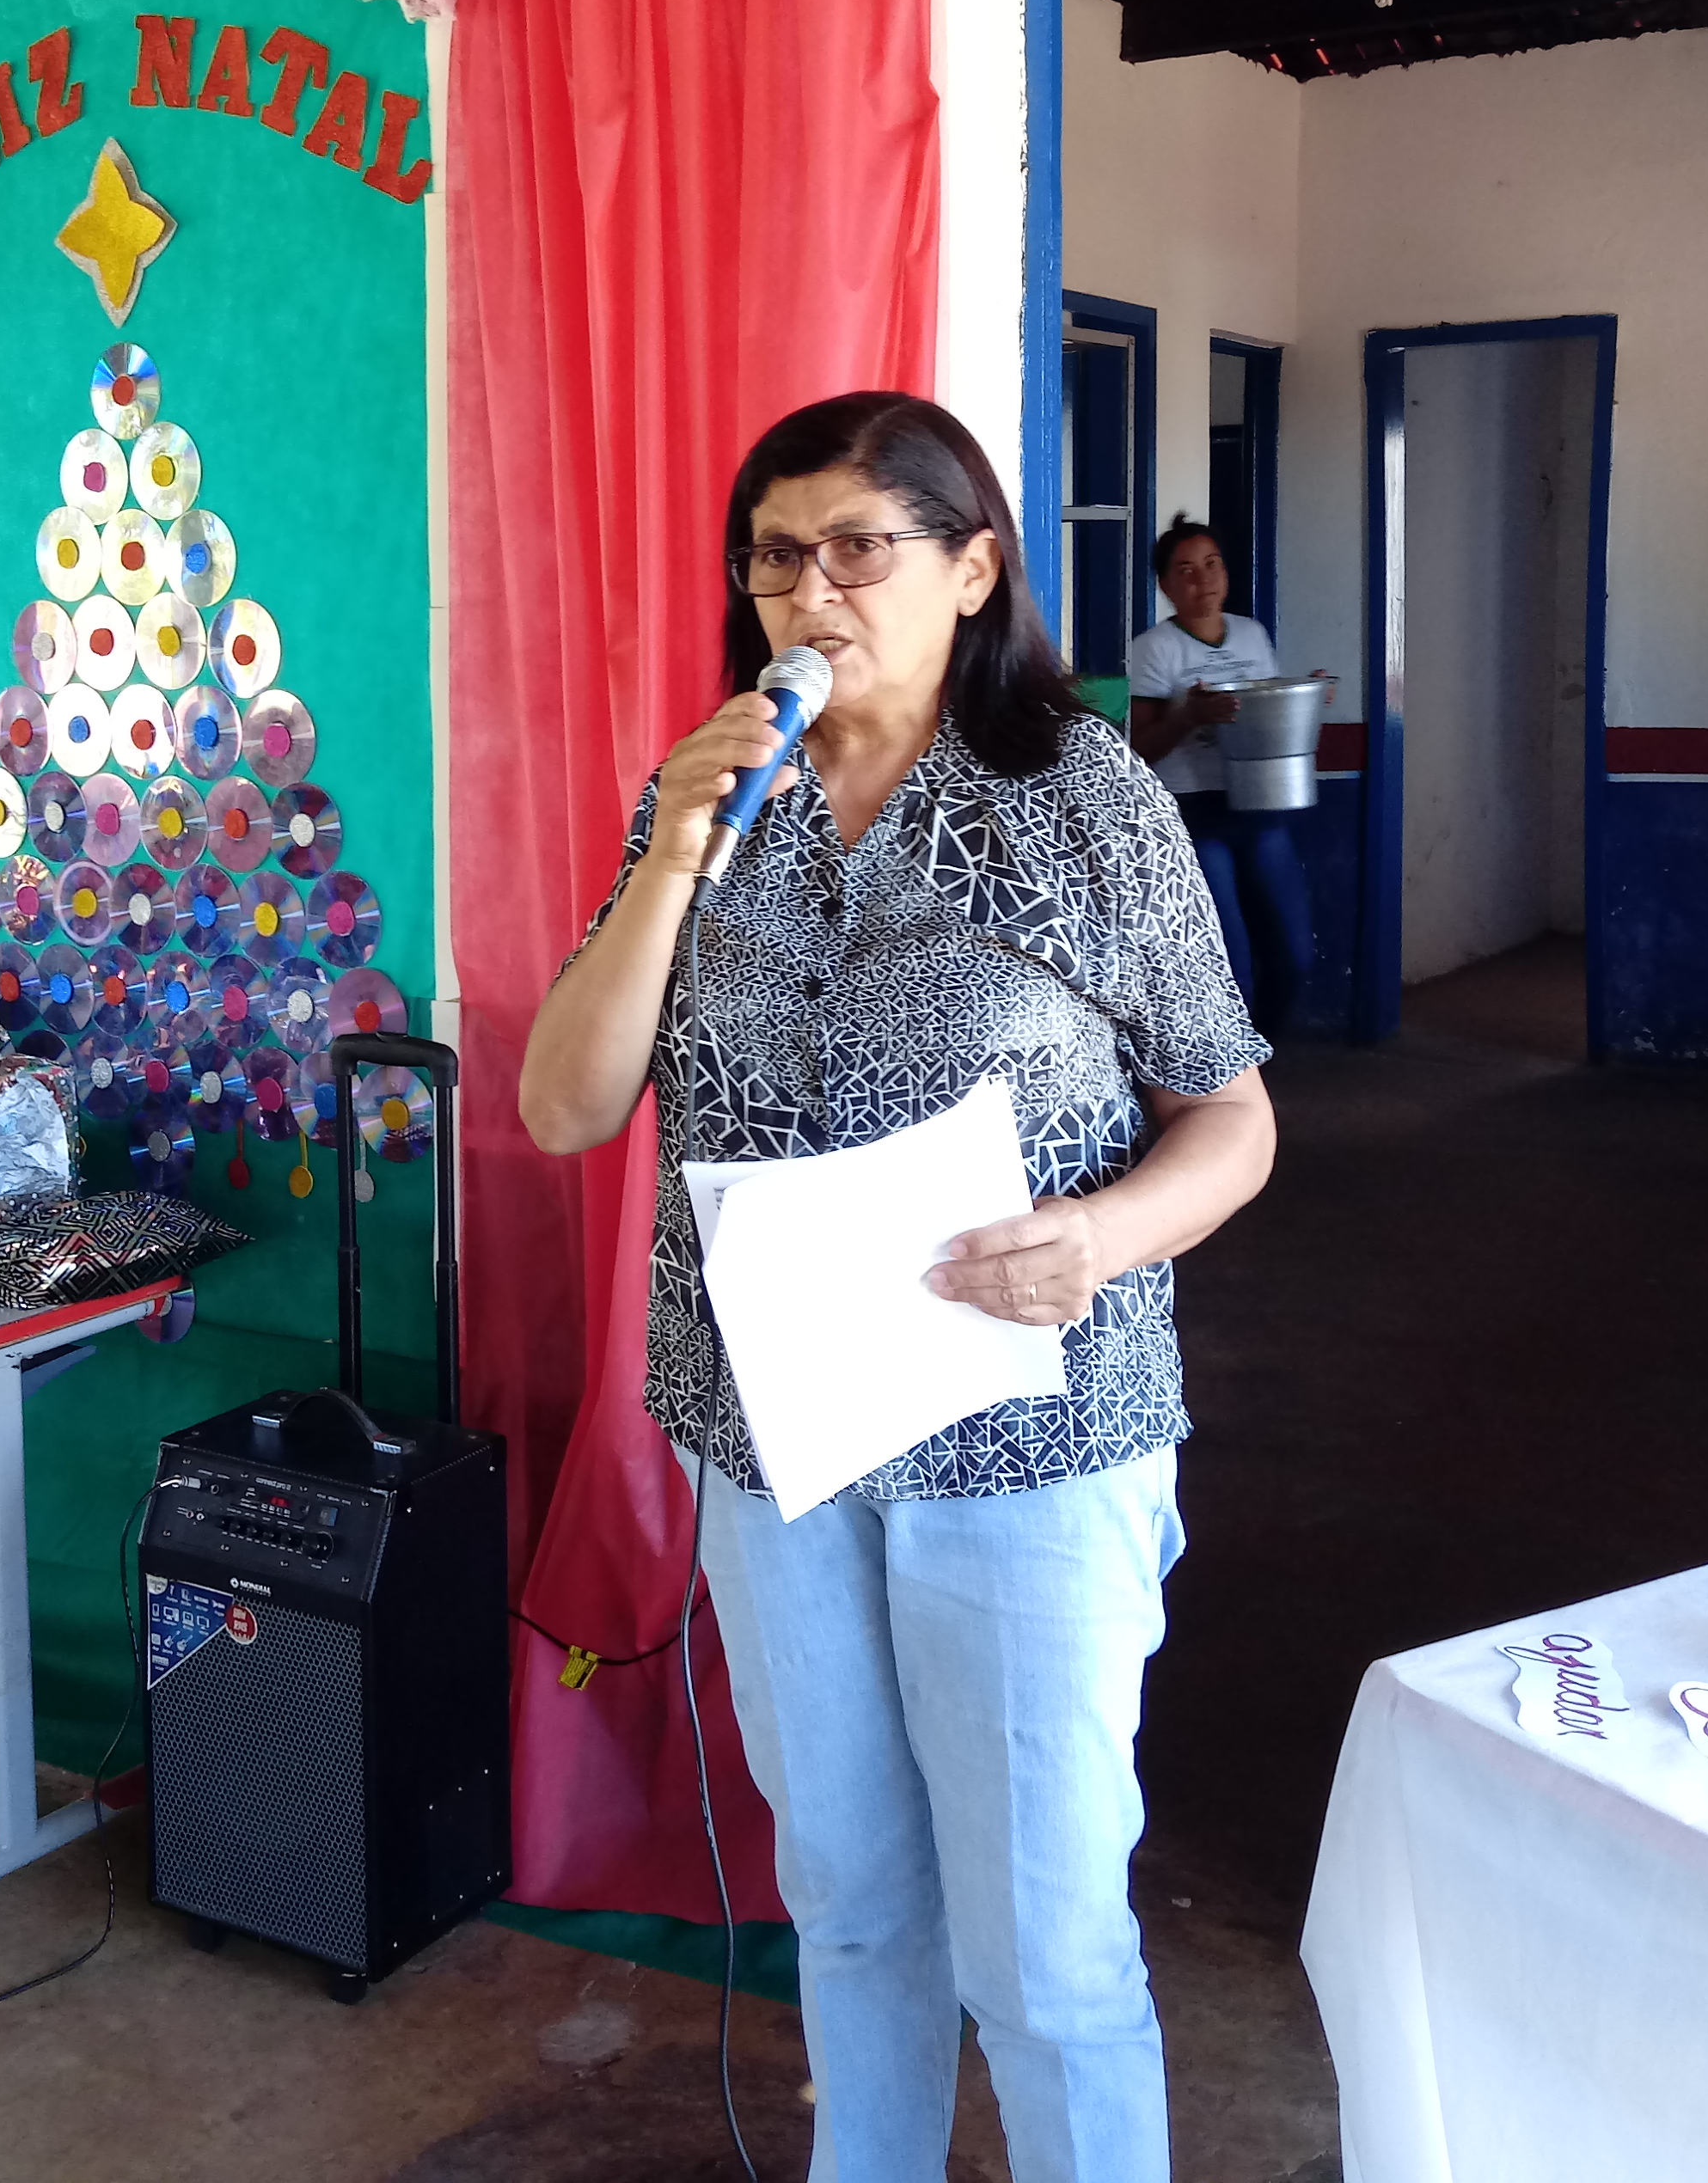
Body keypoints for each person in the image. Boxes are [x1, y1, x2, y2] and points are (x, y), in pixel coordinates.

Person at [521, 393, 1276, 2183]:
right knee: (850, 1910)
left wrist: (1102, 1237)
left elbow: (1231, 1118)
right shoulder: (710, 800)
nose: (812, 593)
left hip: (1032, 1442)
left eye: (860, 547)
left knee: (1046, 1953)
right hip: (777, 1447)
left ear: (972, 570)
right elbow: (565, 1105)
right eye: (775, 556)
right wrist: (672, 853)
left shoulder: (1082, 800)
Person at [1124, 514, 1316, 1039]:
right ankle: (1233, 1068)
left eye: (1212, 564)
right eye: (1185, 570)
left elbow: (1266, 717)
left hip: (1259, 807)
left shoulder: (1251, 635)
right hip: (1193, 814)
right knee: (1230, 964)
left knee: (1295, 955)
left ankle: (1262, 1052)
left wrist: (1305, 699)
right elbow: (1137, 751)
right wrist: (1189, 716)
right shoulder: (1154, 648)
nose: (1202, 579)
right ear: (1165, 586)